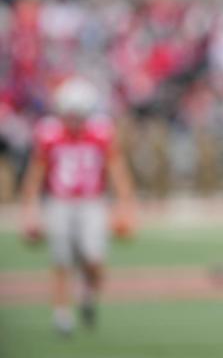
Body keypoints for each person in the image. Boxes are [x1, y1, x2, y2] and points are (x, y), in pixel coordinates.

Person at [20, 76, 137, 337]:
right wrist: (30, 214)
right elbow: (35, 175)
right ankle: (62, 314)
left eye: (78, 114)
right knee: (61, 260)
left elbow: (117, 171)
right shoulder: (50, 134)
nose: (73, 120)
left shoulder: (101, 134)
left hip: (91, 202)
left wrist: (125, 207)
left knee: (94, 259)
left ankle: (86, 294)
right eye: (69, 114)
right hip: (60, 202)